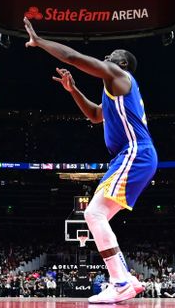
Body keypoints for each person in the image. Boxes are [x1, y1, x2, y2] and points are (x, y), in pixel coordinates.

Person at [24, 17, 156, 303]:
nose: (107, 57)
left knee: (93, 214)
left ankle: (120, 281)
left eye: (113, 56)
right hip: (133, 155)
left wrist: (41, 41)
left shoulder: (120, 77)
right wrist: (73, 91)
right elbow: (96, 115)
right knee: (99, 216)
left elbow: (73, 57)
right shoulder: (115, 91)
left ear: (122, 65)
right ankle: (125, 277)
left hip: (136, 152)